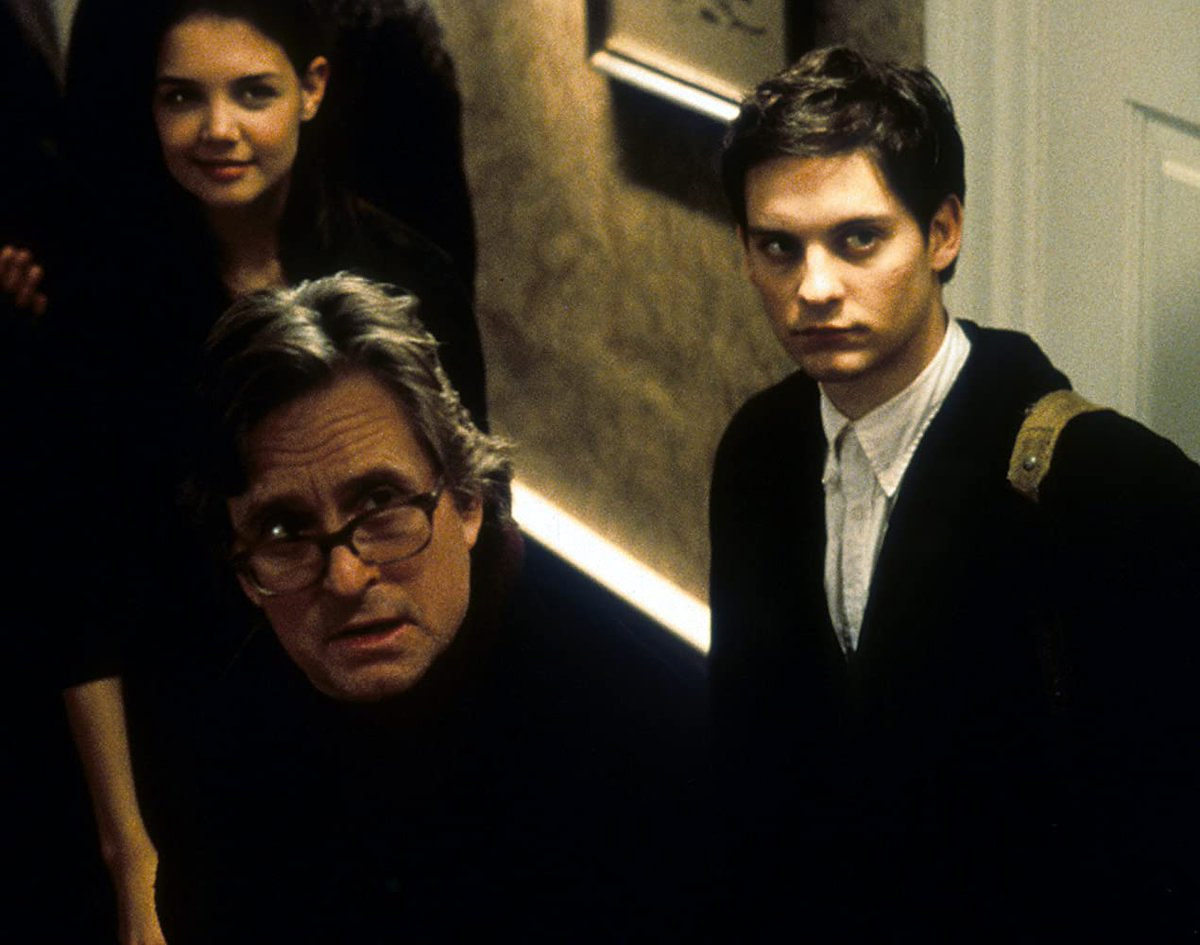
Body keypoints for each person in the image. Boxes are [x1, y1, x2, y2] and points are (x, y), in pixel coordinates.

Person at [709, 45, 1200, 942]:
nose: (814, 287)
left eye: (859, 239)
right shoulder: (759, 449)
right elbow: (749, 774)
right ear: (744, 252)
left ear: (942, 234)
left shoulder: (1102, 483)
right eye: (779, 246)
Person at [39, 3, 486, 943]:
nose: (218, 129)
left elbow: (471, 508)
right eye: (182, 98)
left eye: (252, 92)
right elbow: (84, 594)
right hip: (198, 742)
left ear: (311, 90)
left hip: (394, 717)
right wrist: (132, 859)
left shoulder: (410, 275)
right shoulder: (102, 305)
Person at [170, 272, 709, 943]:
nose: (345, 576)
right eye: (284, 530)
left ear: (467, 500)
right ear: (243, 570)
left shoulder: (651, 734)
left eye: (380, 504)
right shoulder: (222, 753)